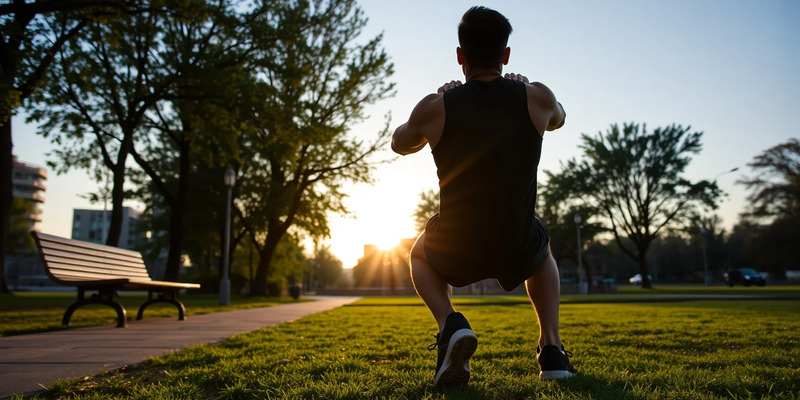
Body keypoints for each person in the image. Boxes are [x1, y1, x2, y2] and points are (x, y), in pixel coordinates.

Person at [391, 6, 576, 386]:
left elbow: (399, 143)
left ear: (460, 55)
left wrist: (436, 104)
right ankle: (552, 350)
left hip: (456, 247)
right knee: (542, 246)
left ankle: (450, 324)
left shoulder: (436, 106)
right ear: (506, 55)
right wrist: (526, 89)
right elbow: (559, 117)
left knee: (418, 253)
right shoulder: (536, 97)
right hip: (517, 243)